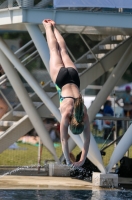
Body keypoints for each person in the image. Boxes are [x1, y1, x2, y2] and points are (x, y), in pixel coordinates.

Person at [42, 19, 90, 167]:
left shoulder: (83, 112)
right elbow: (63, 140)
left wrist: (81, 160)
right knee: (53, 51)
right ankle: (47, 27)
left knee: (63, 50)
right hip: (61, 78)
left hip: (74, 77)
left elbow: (87, 139)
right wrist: (69, 161)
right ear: (71, 123)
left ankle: (54, 27)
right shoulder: (67, 114)